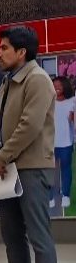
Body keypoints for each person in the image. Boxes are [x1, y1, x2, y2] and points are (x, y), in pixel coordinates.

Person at [0, 25, 58, 263]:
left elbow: (29, 126)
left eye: (5, 47)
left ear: (22, 52)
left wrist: (2, 156)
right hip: (9, 168)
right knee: (12, 232)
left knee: (37, 232)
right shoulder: (8, 81)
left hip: (31, 166)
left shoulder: (38, 80)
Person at [50, 76, 75, 208]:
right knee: (50, 171)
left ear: (65, 86)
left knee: (65, 170)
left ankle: (65, 195)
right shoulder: (48, 101)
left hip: (66, 142)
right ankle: (50, 197)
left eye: (59, 85)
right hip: (50, 143)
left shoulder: (72, 101)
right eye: (54, 85)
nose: (56, 88)